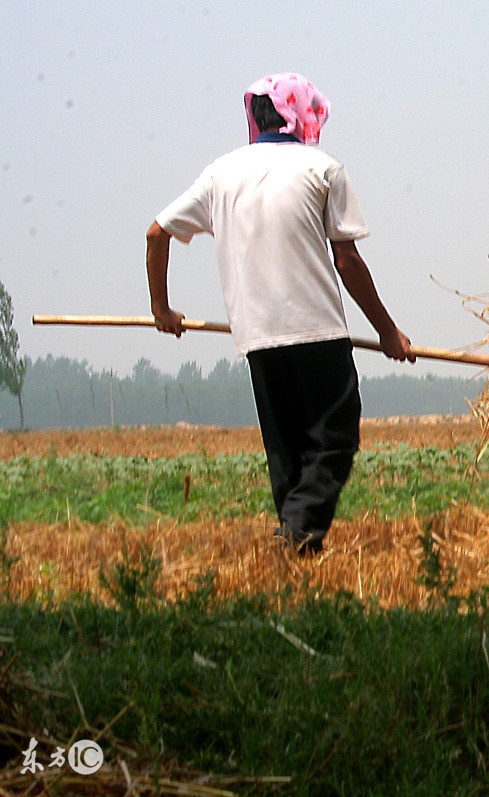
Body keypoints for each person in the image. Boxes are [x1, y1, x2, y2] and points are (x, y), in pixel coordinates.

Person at [146, 72, 416, 555]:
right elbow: (347, 261)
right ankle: (297, 533)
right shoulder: (323, 169)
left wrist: (160, 308)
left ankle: (298, 550)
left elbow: (156, 233)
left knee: (286, 449)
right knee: (334, 439)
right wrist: (388, 332)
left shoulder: (220, 174)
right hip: (317, 330)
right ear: (304, 115)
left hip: (256, 336)